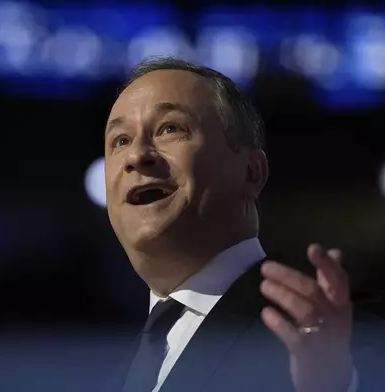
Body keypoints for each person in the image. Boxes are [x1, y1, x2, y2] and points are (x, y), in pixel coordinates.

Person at [102, 57, 358, 392]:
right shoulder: (105, 356)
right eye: (120, 140)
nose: (136, 155)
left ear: (251, 173)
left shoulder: (317, 328)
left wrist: (333, 385)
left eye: (170, 128)